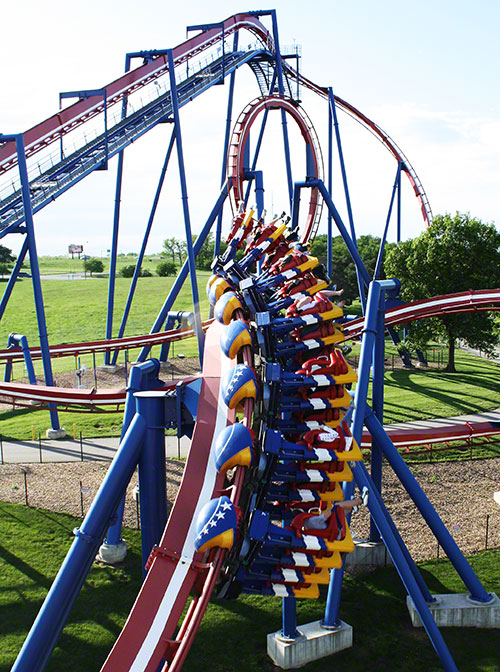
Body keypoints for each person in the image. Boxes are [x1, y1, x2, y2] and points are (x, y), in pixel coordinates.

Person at [303, 487, 369, 530]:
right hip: (334, 529)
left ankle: (351, 507)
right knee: (337, 506)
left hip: (332, 529)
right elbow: (325, 516)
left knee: (336, 513)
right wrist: (330, 511)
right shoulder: (310, 522)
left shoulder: (307, 526)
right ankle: (360, 500)